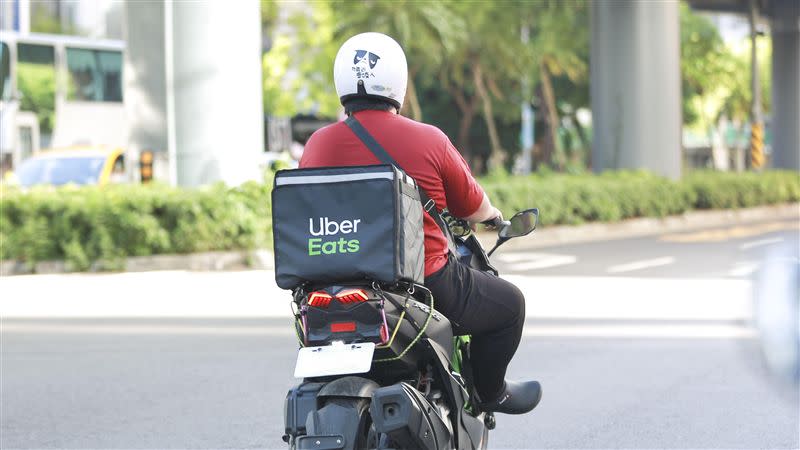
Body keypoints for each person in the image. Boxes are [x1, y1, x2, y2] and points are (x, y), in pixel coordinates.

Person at [299, 32, 541, 415]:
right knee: (510, 304)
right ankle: (489, 393)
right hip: (422, 282)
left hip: (331, 285)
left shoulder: (317, 145)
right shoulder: (428, 139)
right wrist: (494, 218)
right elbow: (472, 205)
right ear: (398, 81)